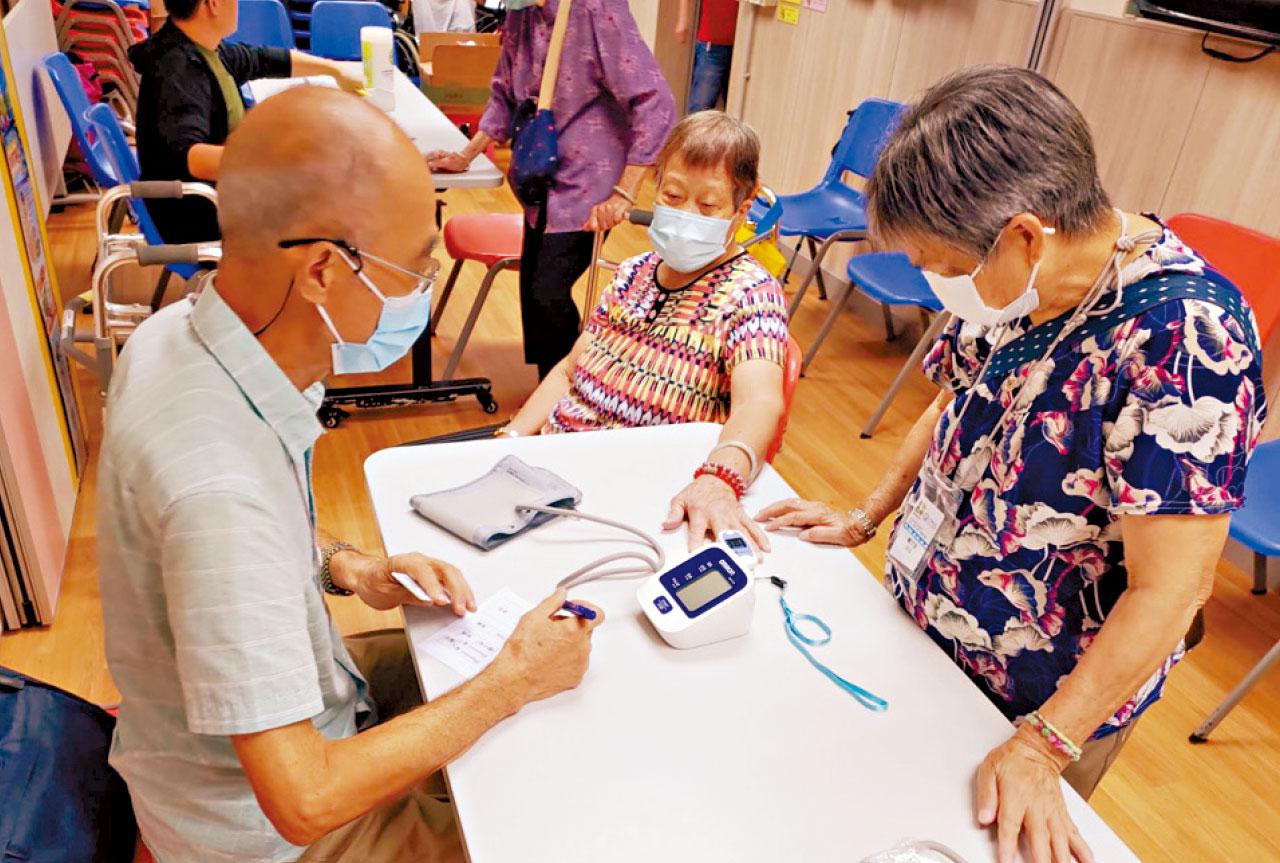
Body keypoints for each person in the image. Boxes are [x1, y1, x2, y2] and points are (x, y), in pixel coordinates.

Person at [757, 65, 1266, 863]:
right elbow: (953, 400)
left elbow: (1174, 588)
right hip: (928, 625)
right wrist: (867, 512)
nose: (933, 284)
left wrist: (1042, 745)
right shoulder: (1021, 280)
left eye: (939, 264)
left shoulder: (1185, 342)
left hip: (1040, 698)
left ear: (1026, 236)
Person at [97, 87, 603, 863]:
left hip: (289, 717)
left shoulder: (176, 336)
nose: (422, 290)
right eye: (417, 267)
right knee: (551, 814)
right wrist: (509, 682)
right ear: (325, 272)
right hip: (270, 831)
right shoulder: (219, 489)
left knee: (502, 676)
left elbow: (246, 547)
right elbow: (305, 800)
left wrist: (354, 567)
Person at [499, 111, 789, 552]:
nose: (686, 214)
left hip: (637, 491)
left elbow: (760, 401)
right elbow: (569, 371)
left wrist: (719, 478)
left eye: (708, 205)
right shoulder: (633, 272)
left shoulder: (751, 294)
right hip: (557, 470)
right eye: (672, 195)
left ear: (740, 211)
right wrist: (511, 439)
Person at [425, 0, 676, 379]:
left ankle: (571, 392)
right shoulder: (520, 12)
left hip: (588, 185)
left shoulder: (595, 8)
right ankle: (551, 390)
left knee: (548, 292)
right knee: (533, 291)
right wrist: (465, 155)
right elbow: (504, 91)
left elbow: (655, 101)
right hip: (540, 178)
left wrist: (624, 192)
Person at [128, 0, 364, 244]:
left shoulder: (205, 49)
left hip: (224, 196)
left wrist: (334, 70)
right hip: (200, 217)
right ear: (213, 4)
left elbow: (260, 59)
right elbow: (191, 158)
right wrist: (279, 160)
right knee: (336, 205)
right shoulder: (177, 70)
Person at [676, 0, 738, 113]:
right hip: (712, 43)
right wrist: (683, 20)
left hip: (746, 42)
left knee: (738, 109)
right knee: (700, 109)